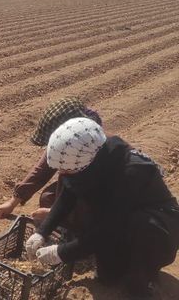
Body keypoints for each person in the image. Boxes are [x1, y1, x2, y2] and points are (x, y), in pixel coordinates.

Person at [25, 118, 179, 297]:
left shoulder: (130, 171)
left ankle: (146, 278)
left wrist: (61, 252)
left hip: (159, 230)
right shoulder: (91, 163)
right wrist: (42, 232)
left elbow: (109, 228)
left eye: (66, 170)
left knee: (135, 280)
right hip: (121, 221)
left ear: (85, 163)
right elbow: (69, 192)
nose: (62, 174)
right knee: (109, 277)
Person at [0, 97, 103, 224]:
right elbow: (42, 170)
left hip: (102, 204)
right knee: (49, 197)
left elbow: (100, 201)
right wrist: (12, 202)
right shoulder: (71, 140)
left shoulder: (94, 148)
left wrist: (54, 214)